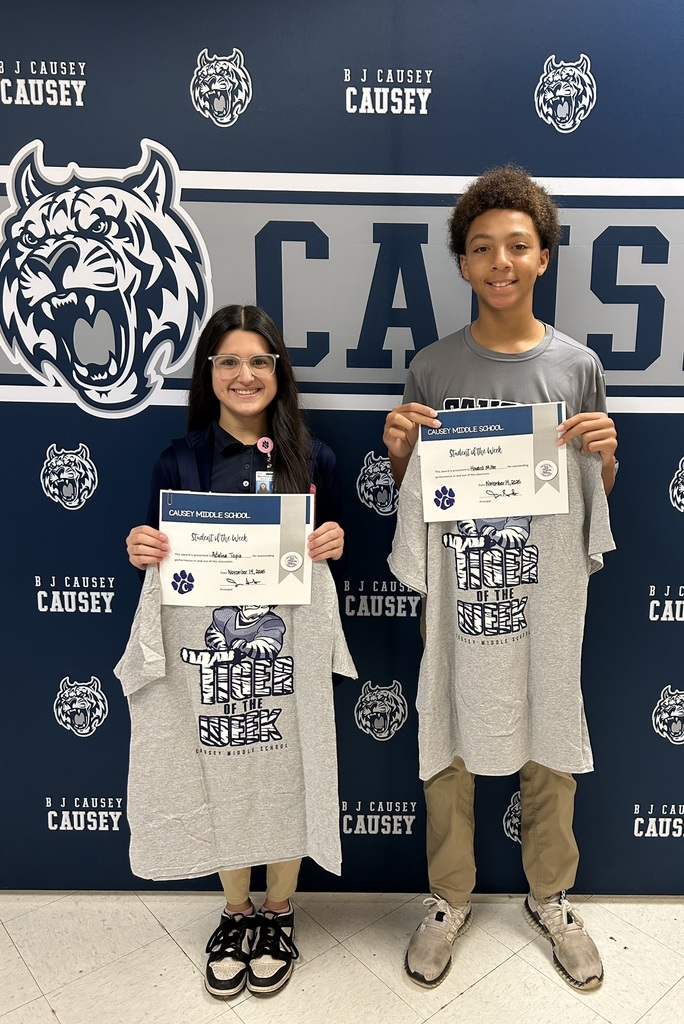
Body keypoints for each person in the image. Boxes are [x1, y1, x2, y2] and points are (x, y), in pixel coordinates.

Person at [384, 166, 618, 991]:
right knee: (446, 729)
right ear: (463, 263)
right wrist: (401, 453)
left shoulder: (577, 365)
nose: (500, 262)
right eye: (482, 247)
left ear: (543, 256)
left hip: (541, 592)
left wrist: (606, 457)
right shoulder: (433, 368)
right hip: (460, 592)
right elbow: (416, 496)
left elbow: (592, 499)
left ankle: (551, 896)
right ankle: (448, 899)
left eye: (517, 245)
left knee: (549, 728)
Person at [126, 304, 347, 999]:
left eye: (258, 360)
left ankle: (279, 912)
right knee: (220, 769)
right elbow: (158, 557)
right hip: (211, 658)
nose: (244, 374)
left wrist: (334, 540)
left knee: (286, 768)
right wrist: (141, 547)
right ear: (209, 372)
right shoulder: (179, 459)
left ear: (278, 372)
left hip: (282, 657)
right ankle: (236, 911)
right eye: (229, 361)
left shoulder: (315, 458)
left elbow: (331, 557)